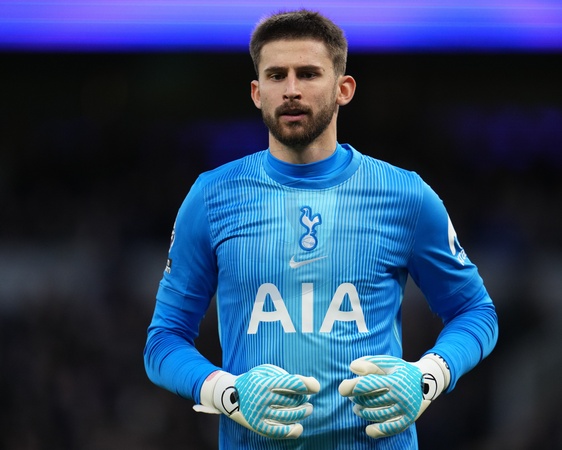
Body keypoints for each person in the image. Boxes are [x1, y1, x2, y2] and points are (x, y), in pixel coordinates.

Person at [144, 9, 498, 450]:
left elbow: (475, 312)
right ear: (257, 92)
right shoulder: (211, 197)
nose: (291, 89)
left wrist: (427, 378)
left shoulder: (405, 195)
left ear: (343, 89)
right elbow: (163, 341)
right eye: (276, 75)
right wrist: (227, 393)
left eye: (308, 74)